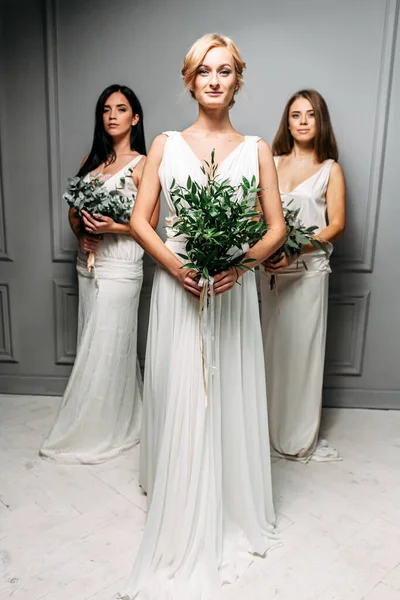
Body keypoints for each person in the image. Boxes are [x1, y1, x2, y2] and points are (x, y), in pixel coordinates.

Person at [117, 34, 285, 600]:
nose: (214, 80)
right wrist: (176, 268)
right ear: (189, 81)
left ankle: (229, 499)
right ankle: (181, 494)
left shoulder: (257, 148)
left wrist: (240, 265)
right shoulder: (164, 144)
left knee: (226, 389)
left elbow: (277, 229)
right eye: (204, 71)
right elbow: (143, 221)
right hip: (178, 286)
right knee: (184, 389)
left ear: (238, 82)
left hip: (230, 288)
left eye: (226, 71)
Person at [40, 84, 158, 464]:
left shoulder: (143, 164)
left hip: (123, 264)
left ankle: (106, 427)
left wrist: (112, 227)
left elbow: (151, 225)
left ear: (134, 118)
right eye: (106, 109)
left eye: (121, 109)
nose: (112, 115)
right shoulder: (91, 160)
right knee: (92, 338)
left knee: (111, 344)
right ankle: (99, 417)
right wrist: (83, 233)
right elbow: (74, 214)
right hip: (87, 264)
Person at [260, 89, 346, 462]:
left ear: (320, 120)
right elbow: (258, 217)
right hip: (270, 273)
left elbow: (337, 224)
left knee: (301, 355)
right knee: (267, 351)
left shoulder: (331, 169)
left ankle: (296, 436)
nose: (303, 121)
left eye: (310, 115)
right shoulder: (272, 163)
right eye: (296, 115)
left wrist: (297, 248)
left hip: (308, 272)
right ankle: (262, 429)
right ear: (288, 122)